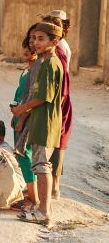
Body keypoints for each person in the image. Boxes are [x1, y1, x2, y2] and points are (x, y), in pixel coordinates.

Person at [12, 22, 64, 227]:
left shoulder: (51, 63)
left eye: (41, 39)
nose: (35, 42)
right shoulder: (42, 62)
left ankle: (44, 212)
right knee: (38, 164)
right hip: (38, 119)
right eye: (34, 38)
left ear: (54, 41)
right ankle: (43, 209)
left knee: (42, 166)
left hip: (46, 120)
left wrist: (21, 110)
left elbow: (43, 97)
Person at [41, 15, 73, 200]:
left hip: (58, 103)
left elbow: (61, 84)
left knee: (55, 143)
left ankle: (52, 187)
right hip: (58, 101)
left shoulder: (58, 51)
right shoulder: (56, 49)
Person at [11, 37, 39, 211]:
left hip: (26, 118)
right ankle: (30, 193)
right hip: (19, 115)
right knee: (22, 155)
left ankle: (33, 198)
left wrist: (21, 119)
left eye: (31, 47)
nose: (27, 50)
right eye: (25, 47)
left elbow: (31, 98)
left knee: (24, 155)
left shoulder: (34, 72)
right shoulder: (25, 71)